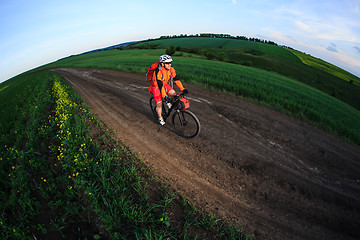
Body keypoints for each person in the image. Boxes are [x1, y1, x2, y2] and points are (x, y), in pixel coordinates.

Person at [148, 54, 188, 125]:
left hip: (164, 84)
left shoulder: (171, 70)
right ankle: (160, 118)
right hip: (156, 86)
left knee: (173, 94)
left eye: (170, 62)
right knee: (159, 104)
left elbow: (176, 79)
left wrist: (183, 89)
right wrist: (165, 96)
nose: (169, 64)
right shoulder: (158, 72)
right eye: (167, 63)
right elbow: (160, 86)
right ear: (162, 64)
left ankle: (168, 102)